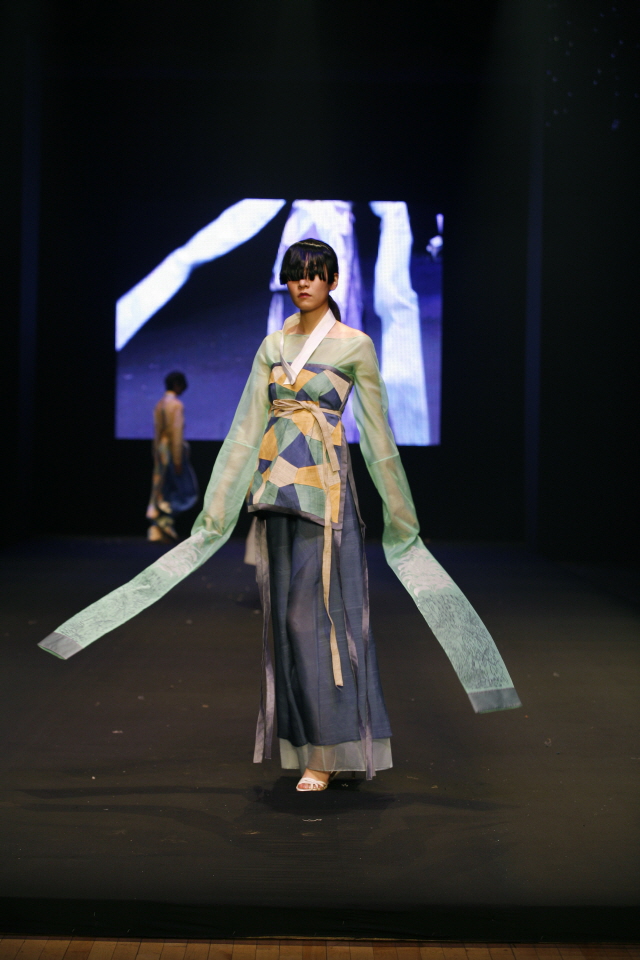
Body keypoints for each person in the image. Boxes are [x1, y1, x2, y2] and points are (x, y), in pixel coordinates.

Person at [39, 239, 521, 793]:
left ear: (334, 281)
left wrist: (402, 522)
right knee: (289, 631)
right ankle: (318, 749)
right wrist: (216, 516)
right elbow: (245, 431)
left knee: (314, 622)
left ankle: (329, 752)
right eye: (295, 274)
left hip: (326, 497)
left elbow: (379, 438)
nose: (303, 283)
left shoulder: (354, 345)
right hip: (276, 494)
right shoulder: (272, 345)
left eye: (315, 274)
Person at [146, 371, 199, 542]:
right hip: (171, 450)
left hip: (161, 450)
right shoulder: (175, 405)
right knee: (188, 492)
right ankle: (163, 520)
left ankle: (157, 527)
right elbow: (175, 434)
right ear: (177, 385)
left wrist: (156, 453)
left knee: (164, 489)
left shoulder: (160, 404)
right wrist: (177, 459)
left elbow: (157, 432)